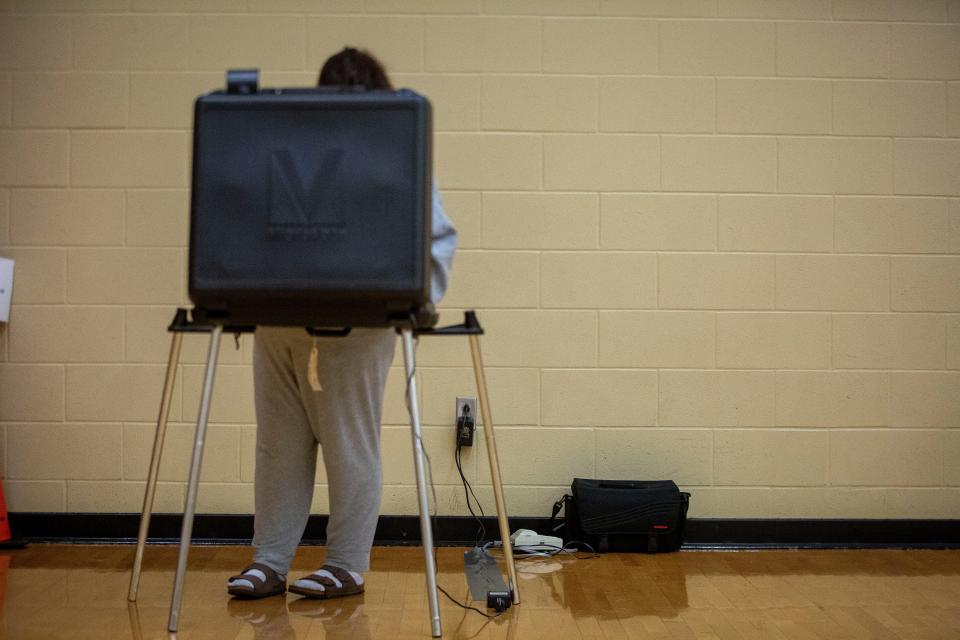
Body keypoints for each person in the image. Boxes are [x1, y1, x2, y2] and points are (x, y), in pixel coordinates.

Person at [227, 47, 457, 600]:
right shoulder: (293, 152)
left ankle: (347, 565)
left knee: (347, 443)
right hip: (280, 318)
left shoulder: (399, 155)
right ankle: (270, 561)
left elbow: (437, 240)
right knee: (278, 444)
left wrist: (409, 299)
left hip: (358, 326)